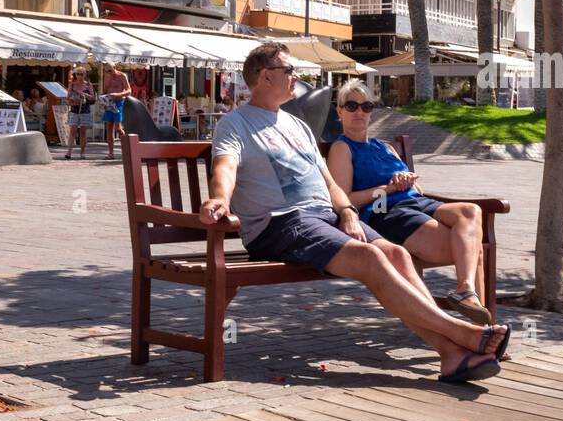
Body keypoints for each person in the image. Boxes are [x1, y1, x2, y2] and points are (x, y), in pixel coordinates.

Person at [199, 42, 509, 384]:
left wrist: (346, 211)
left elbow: (329, 181)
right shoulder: (235, 123)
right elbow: (224, 167)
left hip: (323, 217)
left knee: (396, 253)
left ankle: (451, 355)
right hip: (280, 222)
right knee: (369, 257)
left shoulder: (297, 125)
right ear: (264, 77)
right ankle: (461, 332)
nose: (296, 78)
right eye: (289, 71)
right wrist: (220, 199)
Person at [327, 79, 491, 324]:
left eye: (366, 106)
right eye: (351, 106)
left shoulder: (384, 147)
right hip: (387, 212)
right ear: (339, 111)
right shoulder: (342, 148)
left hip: (417, 204)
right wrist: (389, 187)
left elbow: (417, 189)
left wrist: (406, 179)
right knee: (473, 246)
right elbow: (345, 199)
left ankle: (466, 291)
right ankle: (480, 327)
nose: (359, 112)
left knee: (470, 211)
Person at [65, 67, 96, 160]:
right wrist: (71, 101)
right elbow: (68, 97)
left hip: (85, 110)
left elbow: (93, 98)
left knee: (83, 132)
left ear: (85, 75)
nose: (79, 76)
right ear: (75, 74)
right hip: (74, 109)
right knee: (73, 130)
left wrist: (84, 95)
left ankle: (82, 152)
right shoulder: (72, 84)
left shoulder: (88, 85)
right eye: (78, 74)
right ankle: (69, 152)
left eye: (82, 74)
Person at [102, 63, 132, 159]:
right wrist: (103, 98)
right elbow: (105, 90)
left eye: (110, 70)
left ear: (114, 68)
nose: (109, 73)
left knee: (118, 128)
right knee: (109, 127)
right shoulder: (106, 77)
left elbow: (129, 91)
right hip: (109, 103)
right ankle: (111, 153)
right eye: (107, 71)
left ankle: (128, 148)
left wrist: (118, 94)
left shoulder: (122, 76)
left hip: (119, 102)